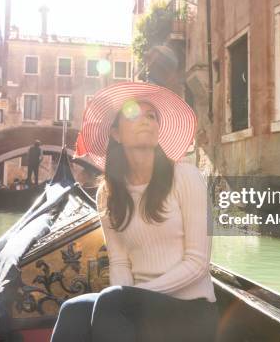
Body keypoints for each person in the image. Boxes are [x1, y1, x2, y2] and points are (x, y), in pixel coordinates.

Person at [51, 82, 218, 342]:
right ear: (116, 134)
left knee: (113, 300)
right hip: (137, 303)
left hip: (191, 311)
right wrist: (131, 297)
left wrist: (134, 294)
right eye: (134, 116)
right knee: (73, 310)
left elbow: (198, 263)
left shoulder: (187, 177)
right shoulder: (108, 194)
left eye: (152, 116)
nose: (146, 121)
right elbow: (119, 262)